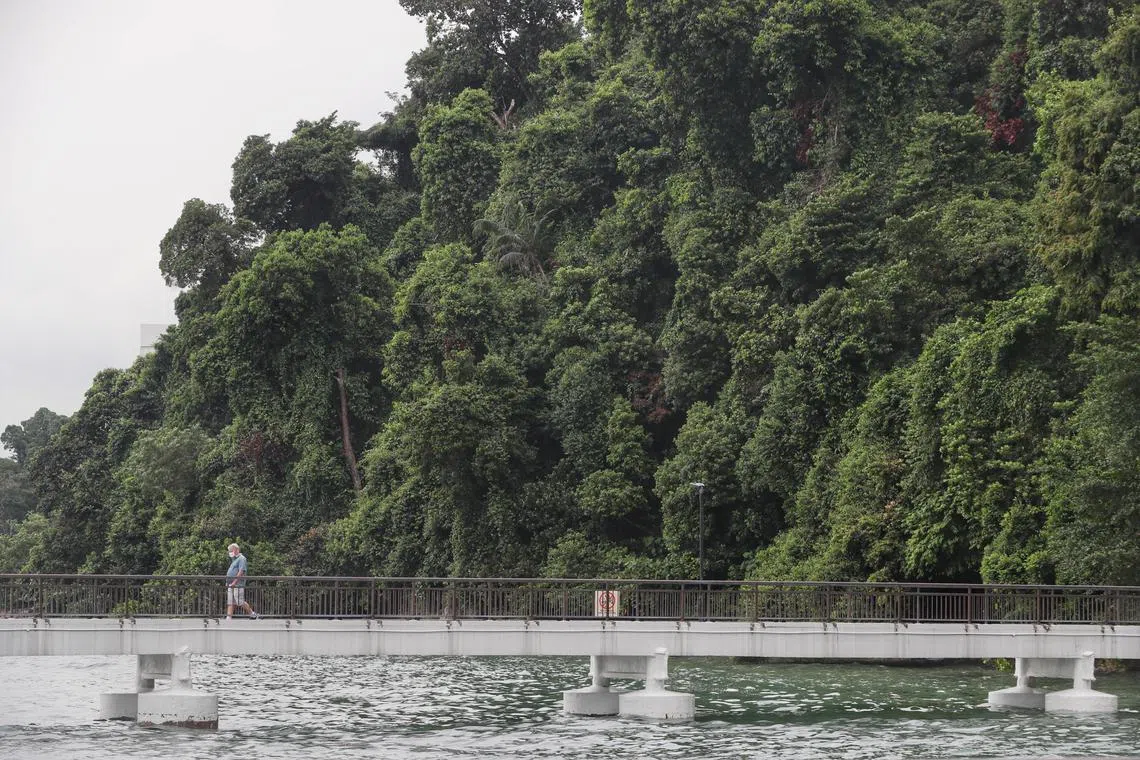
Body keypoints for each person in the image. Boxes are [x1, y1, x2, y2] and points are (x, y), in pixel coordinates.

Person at [225, 542, 259, 620]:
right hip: (230, 584)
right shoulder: (234, 559)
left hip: (237, 584)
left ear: (237, 549)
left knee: (239, 601)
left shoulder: (242, 558)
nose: (230, 552)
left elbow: (241, 571)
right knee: (230, 601)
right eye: (229, 550)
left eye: (231, 550)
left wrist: (234, 582)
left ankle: (252, 614)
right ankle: (228, 618)